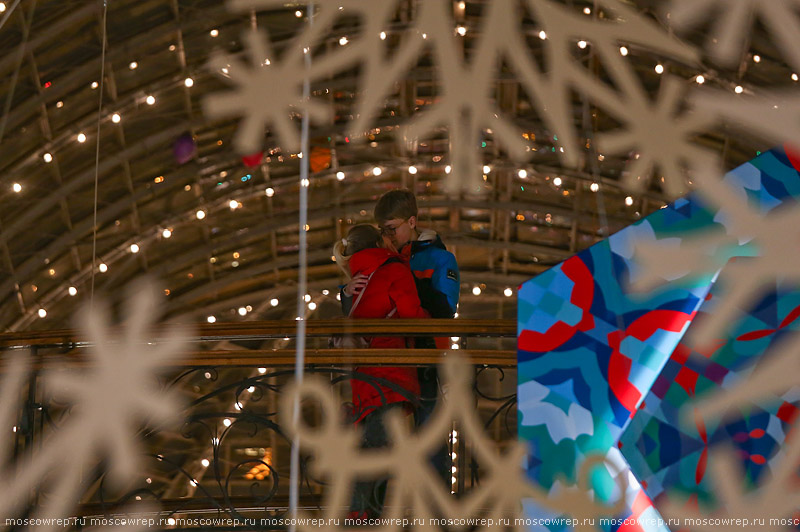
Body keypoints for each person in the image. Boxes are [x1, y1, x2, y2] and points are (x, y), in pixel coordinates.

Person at [342, 190, 460, 486]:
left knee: (429, 437)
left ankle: (437, 512)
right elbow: (362, 308)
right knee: (381, 436)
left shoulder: (439, 259)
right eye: (383, 230)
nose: (388, 236)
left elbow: (446, 308)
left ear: (411, 221)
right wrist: (346, 292)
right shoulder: (387, 258)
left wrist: (400, 282)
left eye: (392, 228)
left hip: (426, 358)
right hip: (391, 360)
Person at [333, 224, 429, 518]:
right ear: (379, 242)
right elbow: (413, 316)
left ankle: (362, 516)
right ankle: (360, 519)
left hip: (364, 382)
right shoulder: (393, 270)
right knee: (378, 453)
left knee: (370, 451)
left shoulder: (358, 279)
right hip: (391, 377)